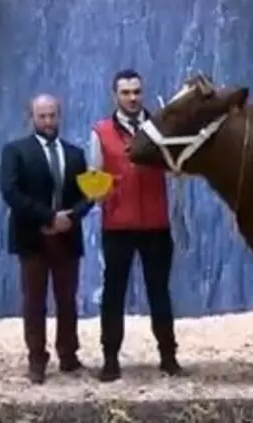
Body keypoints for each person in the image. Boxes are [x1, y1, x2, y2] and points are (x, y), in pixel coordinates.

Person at [87, 68, 184, 382]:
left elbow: (176, 167)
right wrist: (106, 191)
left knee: (160, 292)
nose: (132, 97)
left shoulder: (161, 129)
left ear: (143, 93)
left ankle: (169, 357)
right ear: (114, 95)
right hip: (118, 227)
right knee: (114, 293)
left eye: (136, 92)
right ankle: (111, 359)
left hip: (156, 224)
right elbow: (93, 176)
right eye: (126, 92)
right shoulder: (100, 131)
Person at [0, 94, 93, 384]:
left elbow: (88, 195)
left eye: (53, 115)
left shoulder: (75, 153)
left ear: (59, 116)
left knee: (67, 300)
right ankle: (37, 360)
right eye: (43, 116)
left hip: (67, 237)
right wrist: (48, 218)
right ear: (31, 118)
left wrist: (70, 218)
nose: (49, 121)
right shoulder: (15, 151)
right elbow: (11, 192)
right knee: (34, 301)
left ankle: (69, 356)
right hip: (33, 237)